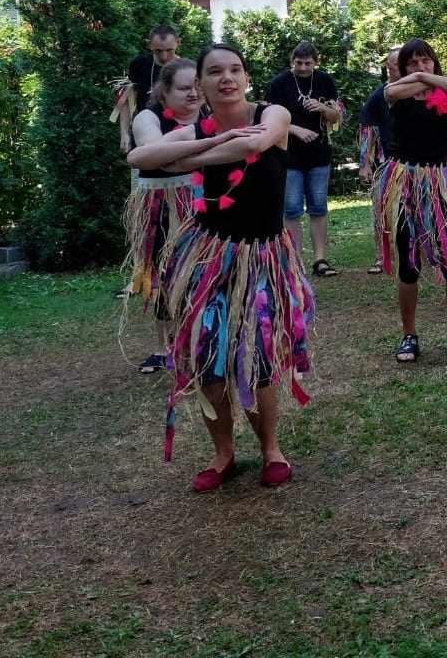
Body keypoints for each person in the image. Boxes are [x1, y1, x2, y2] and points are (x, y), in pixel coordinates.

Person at [129, 43, 312, 492]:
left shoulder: (274, 114)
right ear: (203, 85)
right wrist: (212, 140)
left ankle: (271, 449)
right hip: (209, 255)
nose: (226, 78)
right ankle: (223, 453)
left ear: (246, 77)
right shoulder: (198, 128)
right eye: (215, 72)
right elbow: (138, 159)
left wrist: (188, 157)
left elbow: (254, 143)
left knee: (260, 354)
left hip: (262, 255)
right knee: (207, 355)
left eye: (235, 70)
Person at [374, 38, 447, 362]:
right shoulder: (394, 93)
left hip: (438, 180)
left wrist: (427, 78)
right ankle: (409, 334)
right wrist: (420, 79)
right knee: (408, 261)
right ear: (402, 67)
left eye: (426, 60)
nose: (420, 66)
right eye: (413, 62)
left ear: (434, 62)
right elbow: (393, 91)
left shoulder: (444, 92)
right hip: (405, 180)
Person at [122, 57, 202, 374]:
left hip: (204, 203)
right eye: (184, 88)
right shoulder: (147, 116)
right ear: (164, 92)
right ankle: (165, 347)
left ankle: (201, 342)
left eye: (197, 86)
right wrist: (201, 143)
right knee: (162, 273)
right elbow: (152, 151)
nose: (194, 94)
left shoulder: (212, 114)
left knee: (202, 272)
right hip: (162, 206)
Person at [265, 42, 343, 280]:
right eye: (298, 63)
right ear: (292, 61)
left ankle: (320, 259)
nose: (303, 67)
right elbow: (267, 118)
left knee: (318, 207)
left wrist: (322, 107)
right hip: (288, 156)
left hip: (319, 154)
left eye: (308, 63)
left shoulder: (324, 81)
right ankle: (294, 261)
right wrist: (296, 130)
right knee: (291, 209)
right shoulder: (279, 83)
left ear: (315, 62)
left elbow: (337, 117)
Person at [357, 47, 401, 273]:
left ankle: (417, 254)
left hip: (415, 163)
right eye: (395, 63)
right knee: (382, 211)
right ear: (388, 67)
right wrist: (365, 163)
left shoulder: (419, 92)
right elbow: (368, 130)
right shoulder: (379, 95)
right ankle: (381, 256)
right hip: (385, 163)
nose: (399, 66)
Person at [117, 24, 181, 152]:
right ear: (149, 45)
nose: (164, 57)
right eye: (158, 51)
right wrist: (124, 133)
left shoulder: (186, 68)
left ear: (178, 43)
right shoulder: (138, 65)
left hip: (178, 136)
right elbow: (126, 100)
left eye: (169, 50)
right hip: (144, 134)